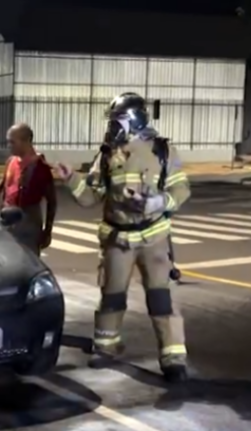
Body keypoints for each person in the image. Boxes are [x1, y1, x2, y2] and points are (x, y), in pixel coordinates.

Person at [53, 93, 191, 382]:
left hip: (153, 240)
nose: (113, 128)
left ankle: (173, 357)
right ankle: (106, 346)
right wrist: (71, 180)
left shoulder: (162, 151)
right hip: (117, 240)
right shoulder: (106, 155)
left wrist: (158, 202)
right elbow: (91, 197)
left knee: (161, 298)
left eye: (118, 121)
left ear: (135, 120)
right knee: (111, 296)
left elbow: (181, 190)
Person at [0, 123, 58, 255]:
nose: (8, 145)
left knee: (28, 260)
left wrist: (47, 230)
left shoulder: (39, 167)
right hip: (7, 220)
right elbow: (6, 181)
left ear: (26, 141)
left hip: (28, 222)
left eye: (12, 142)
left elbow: (52, 200)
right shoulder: (11, 161)